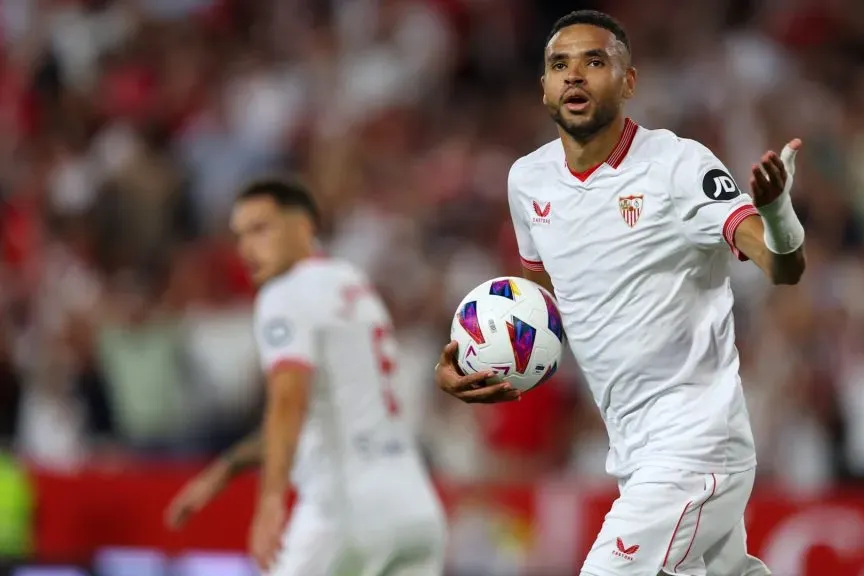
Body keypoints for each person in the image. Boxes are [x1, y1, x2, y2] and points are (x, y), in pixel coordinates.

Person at [435, 10, 807, 576]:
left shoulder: (678, 166)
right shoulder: (527, 182)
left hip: (696, 443)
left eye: (594, 61)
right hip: (632, 451)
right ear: (544, 89)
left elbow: (783, 267)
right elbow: (548, 302)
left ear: (628, 82)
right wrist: (480, 359)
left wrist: (777, 214)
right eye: (560, 65)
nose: (575, 76)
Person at [165, 178, 447, 576]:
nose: (247, 248)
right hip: (414, 509)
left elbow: (288, 400)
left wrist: (271, 500)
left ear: (302, 227)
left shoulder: (284, 293)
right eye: (240, 235)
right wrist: (225, 468)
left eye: (261, 229)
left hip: (344, 510)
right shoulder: (352, 285)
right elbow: (319, 417)